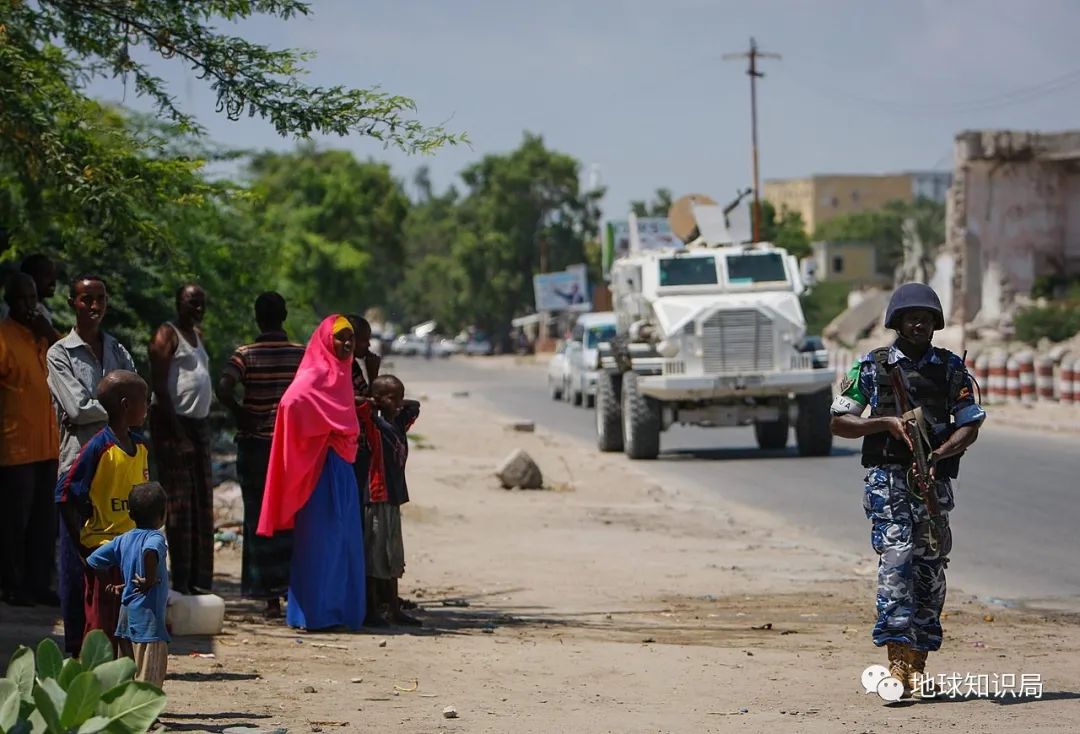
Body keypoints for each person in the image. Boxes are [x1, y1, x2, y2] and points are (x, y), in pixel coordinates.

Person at [830, 283, 985, 698]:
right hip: (888, 483)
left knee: (930, 573)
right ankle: (896, 663)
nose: (919, 324)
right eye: (911, 317)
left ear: (936, 324)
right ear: (896, 322)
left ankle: (918, 664)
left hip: (931, 485)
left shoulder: (951, 369)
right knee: (896, 565)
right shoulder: (872, 367)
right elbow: (839, 421)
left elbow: (970, 422)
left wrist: (940, 452)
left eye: (927, 318)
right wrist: (885, 425)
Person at [258, 315, 366, 631]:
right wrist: (322, 434)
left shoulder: (341, 373)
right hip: (321, 468)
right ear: (325, 340)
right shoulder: (316, 371)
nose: (347, 344)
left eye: (351, 338)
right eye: (340, 338)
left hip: (341, 468)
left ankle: (340, 612)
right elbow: (291, 403)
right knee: (321, 542)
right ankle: (315, 615)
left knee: (343, 541)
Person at [47, 274, 136, 653]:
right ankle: (73, 648)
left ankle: (110, 647)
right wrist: (118, 408)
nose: (94, 306)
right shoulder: (60, 353)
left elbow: (134, 400)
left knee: (115, 563)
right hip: (78, 469)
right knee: (76, 560)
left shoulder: (118, 349)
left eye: (100, 298)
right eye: (87, 300)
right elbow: (75, 409)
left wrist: (107, 411)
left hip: (117, 471)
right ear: (73, 302)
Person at [217, 292, 304, 618]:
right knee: (291, 516)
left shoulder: (245, 354)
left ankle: (267, 596)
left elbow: (224, 387)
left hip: (255, 445)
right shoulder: (301, 354)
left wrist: (239, 413)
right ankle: (292, 588)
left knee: (259, 516)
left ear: (257, 318)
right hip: (291, 448)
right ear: (284, 315)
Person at [56, 371, 151, 652]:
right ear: (125, 405)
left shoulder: (142, 447)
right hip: (105, 553)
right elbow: (64, 495)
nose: (148, 406)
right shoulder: (98, 448)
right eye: (144, 400)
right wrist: (85, 552)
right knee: (100, 629)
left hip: (133, 553)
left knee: (130, 627)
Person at [0, 272, 60, 606]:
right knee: (14, 523)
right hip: (16, 447)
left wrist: (48, 334)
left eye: (33, 298)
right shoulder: (4, 337)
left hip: (48, 447)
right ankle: (12, 584)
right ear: (9, 301)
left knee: (43, 524)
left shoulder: (42, 338)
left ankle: (39, 584)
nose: (29, 305)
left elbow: (73, 362)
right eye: (22, 298)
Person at [149, 283, 213, 594]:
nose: (197, 308)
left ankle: (198, 581)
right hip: (174, 428)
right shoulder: (167, 334)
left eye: (201, 303)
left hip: (198, 427)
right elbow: (159, 388)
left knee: (202, 503)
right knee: (180, 505)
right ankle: (181, 580)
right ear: (178, 303)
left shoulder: (197, 336)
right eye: (191, 303)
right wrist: (178, 435)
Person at [87, 482, 170, 689]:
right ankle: (146, 718)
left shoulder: (123, 539)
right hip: (149, 621)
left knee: (126, 671)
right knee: (148, 673)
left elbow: (94, 560)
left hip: (126, 617)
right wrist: (149, 579)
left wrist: (109, 584)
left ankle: (124, 711)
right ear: (162, 514)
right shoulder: (155, 538)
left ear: (130, 514)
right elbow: (150, 552)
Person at [361, 374, 421, 627]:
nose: (398, 403)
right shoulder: (373, 426)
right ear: (377, 400)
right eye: (391, 397)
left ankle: (394, 609)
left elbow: (415, 406)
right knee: (374, 554)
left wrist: (393, 403)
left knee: (393, 554)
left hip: (393, 498)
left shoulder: (397, 423)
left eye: (399, 396)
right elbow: (359, 407)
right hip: (376, 496)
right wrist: (375, 403)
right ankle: (371, 608)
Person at [0, 254, 60, 344]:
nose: (53, 280)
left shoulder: (42, 314)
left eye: (32, 297)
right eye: (47, 275)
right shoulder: (6, 313)